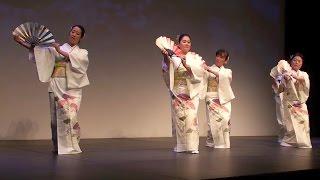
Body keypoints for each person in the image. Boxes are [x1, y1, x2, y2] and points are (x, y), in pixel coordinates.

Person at [13, 25, 90, 154]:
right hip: (56, 83)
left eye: (77, 33)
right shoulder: (58, 47)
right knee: (55, 119)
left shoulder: (82, 52)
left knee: (70, 117)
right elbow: (39, 52)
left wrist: (59, 50)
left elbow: (79, 62)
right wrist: (21, 41)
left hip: (72, 88)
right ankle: (58, 147)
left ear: (81, 37)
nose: (74, 34)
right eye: (72, 31)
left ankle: (72, 145)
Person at [158, 34, 205, 154]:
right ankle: (181, 146)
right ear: (178, 44)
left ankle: (193, 146)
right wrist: (165, 58)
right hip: (177, 91)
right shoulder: (173, 57)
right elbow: (166, 71)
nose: (187, 44)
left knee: (191, 119)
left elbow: (199, 75)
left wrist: (187, 67)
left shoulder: (194, 58)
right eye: (184, 41)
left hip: (190, 92)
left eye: (189, 42)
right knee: (179, 120)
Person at [271, 53, 311, 148]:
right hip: (288, 101)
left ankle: (302, 142)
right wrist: (283, 78)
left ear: (302, 63)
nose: (296, 62)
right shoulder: (285, 72)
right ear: (291, 61)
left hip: (300, 102)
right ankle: (288, 141)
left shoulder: (303, 74)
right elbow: (278, 85)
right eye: (294, 60)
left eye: (299, 61)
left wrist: (293, 76)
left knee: (303, 121)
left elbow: (304, 81)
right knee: (288, 123)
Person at [202, 49, 235, 148]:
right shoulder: (208, 69)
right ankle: (211, 140)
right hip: (211, 96)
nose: (218, 58)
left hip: (224, 98)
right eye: (217, 56)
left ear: (226, 60)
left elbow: (225, 77)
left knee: (225, 119)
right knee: (213, 121)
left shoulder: (227, 71)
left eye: (221, 57)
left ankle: (223, 142)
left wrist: (209, 69)